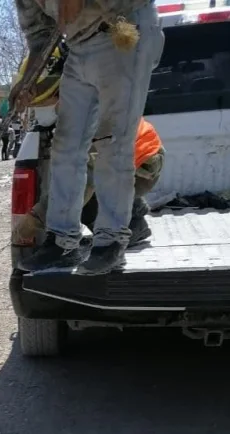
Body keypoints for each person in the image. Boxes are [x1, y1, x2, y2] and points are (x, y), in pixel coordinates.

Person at [11, 0, 165, 275]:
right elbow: (40, 36)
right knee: (66, 145)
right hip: (80, 47)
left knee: (112, 142)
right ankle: (62, 242)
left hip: (122, 28)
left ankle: (111, 242)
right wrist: (28, 80)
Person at [14, 116, 165, 246]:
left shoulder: (86, 121)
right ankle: (133, 212)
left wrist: (35, 219)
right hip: (136, 160)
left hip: (143, 166)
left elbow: (78, 186)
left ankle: (131, 226)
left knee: (85, 203)